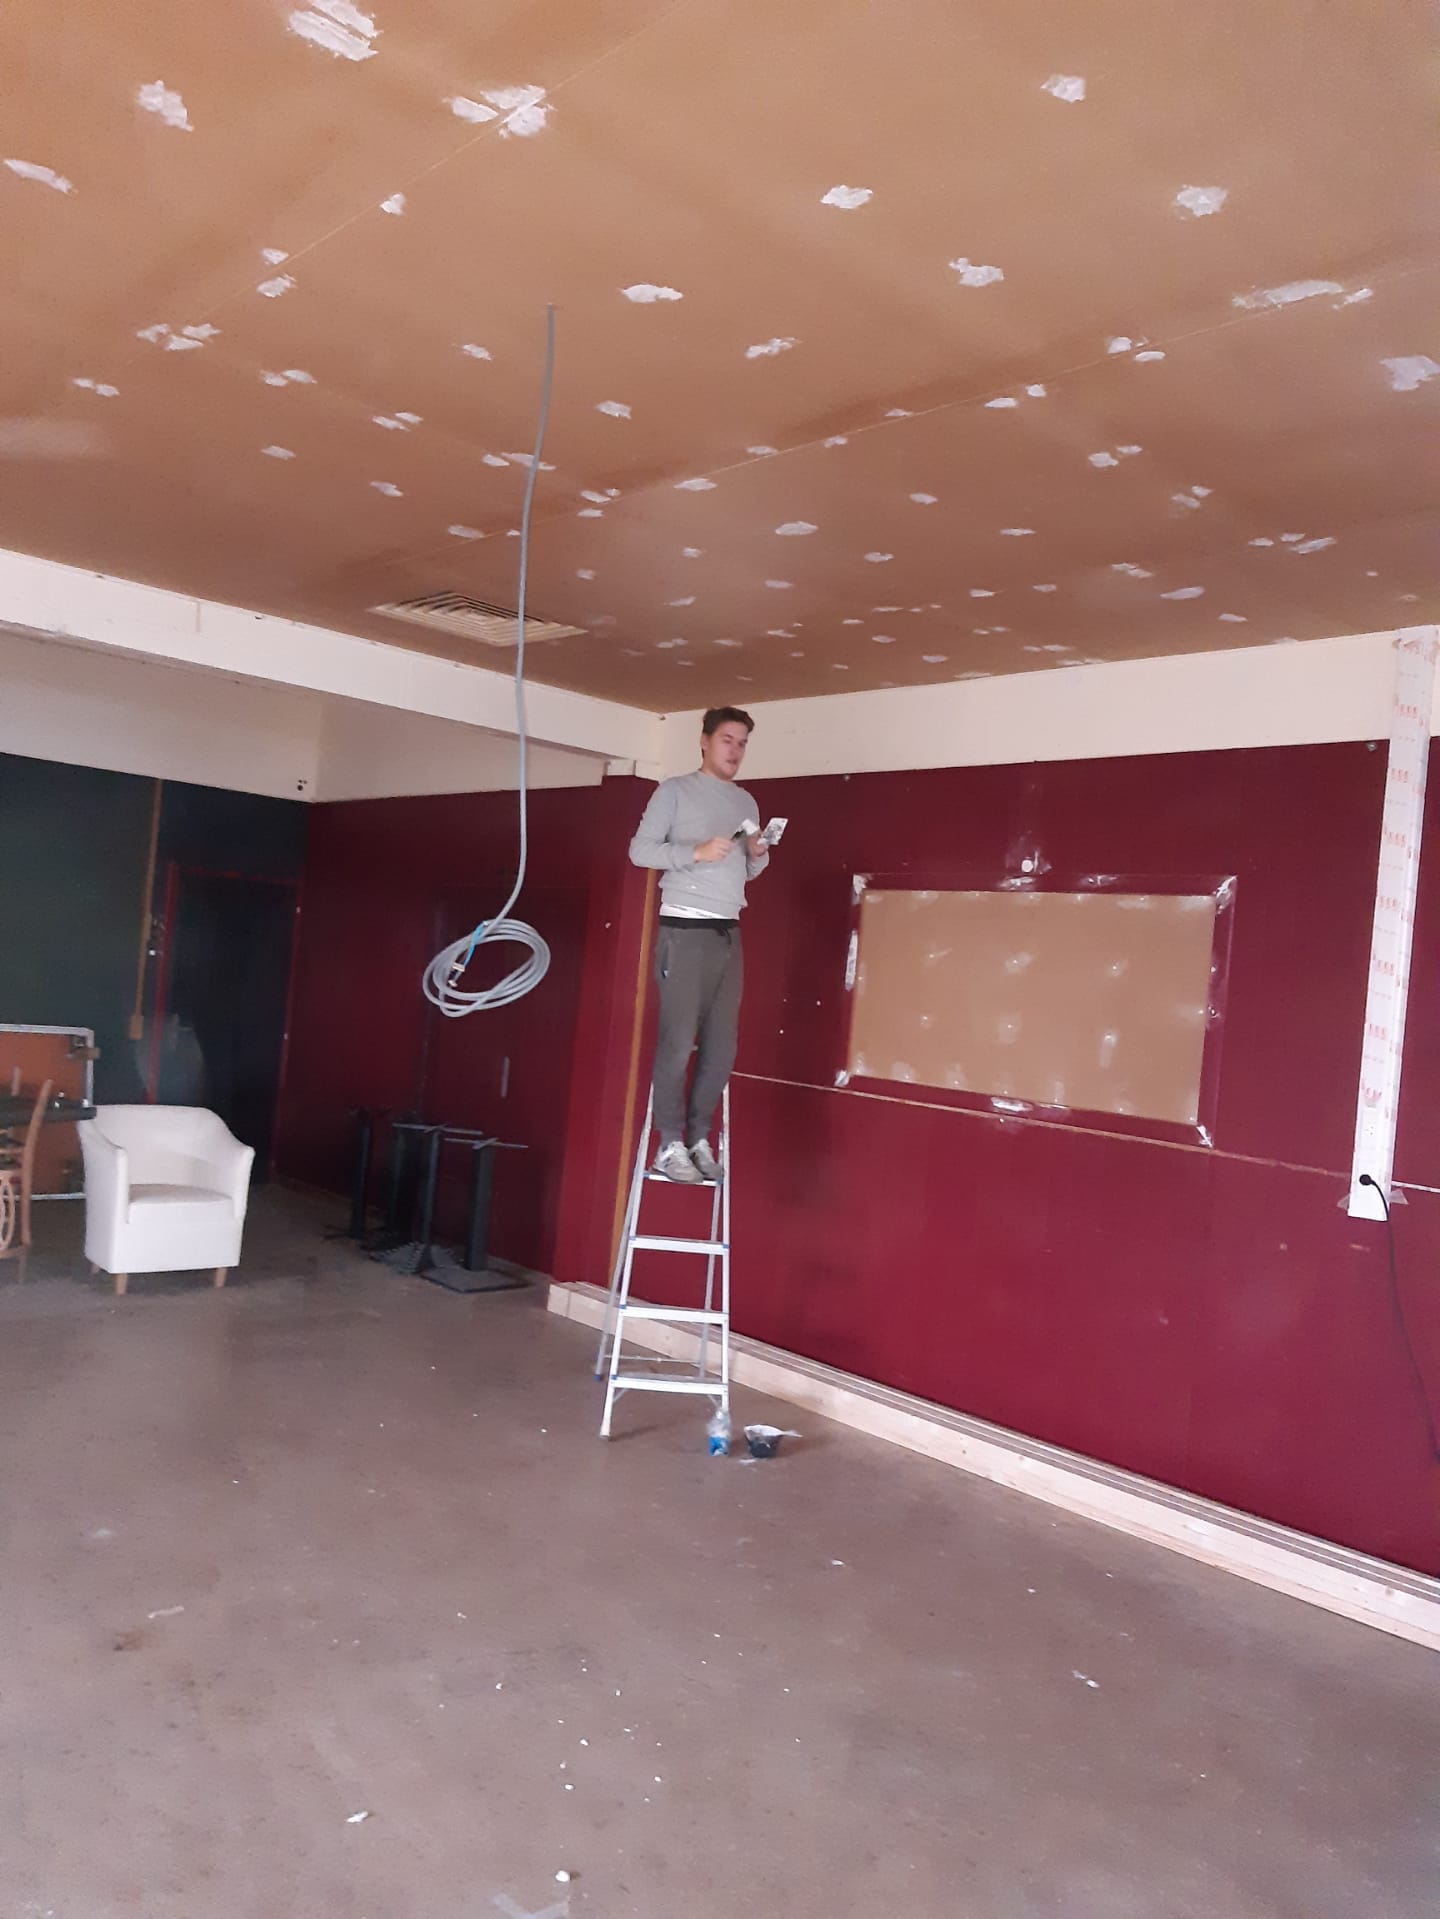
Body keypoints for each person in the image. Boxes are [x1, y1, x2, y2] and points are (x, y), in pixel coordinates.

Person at [628, 706, 774, 1182]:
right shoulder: (674, 791)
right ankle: (668, 1144)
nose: (736, 751)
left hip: (728, 931)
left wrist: (758, 855)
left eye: (743, 743)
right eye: (728, 740)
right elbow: (640, 851)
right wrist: (695, 851)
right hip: (684, 928)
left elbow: (747, 870)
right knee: (677, 1042)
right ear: (705, 741)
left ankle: (697, 1139)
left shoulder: (746, 802)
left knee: (721, 1047)